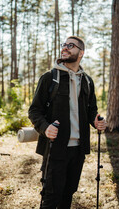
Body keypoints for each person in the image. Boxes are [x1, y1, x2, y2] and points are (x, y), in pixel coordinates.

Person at [28, 36, 106, 209]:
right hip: (55, 149)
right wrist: (45, 127)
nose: (65, 48)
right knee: (50, 198)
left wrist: (96, 121)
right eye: (64, 44)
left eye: (70, 45)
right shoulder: (50, 78)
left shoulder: (87, 81)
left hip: (78, 150)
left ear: (81, 53)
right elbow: (34, 110)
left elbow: (91, 109)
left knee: (68, 195)